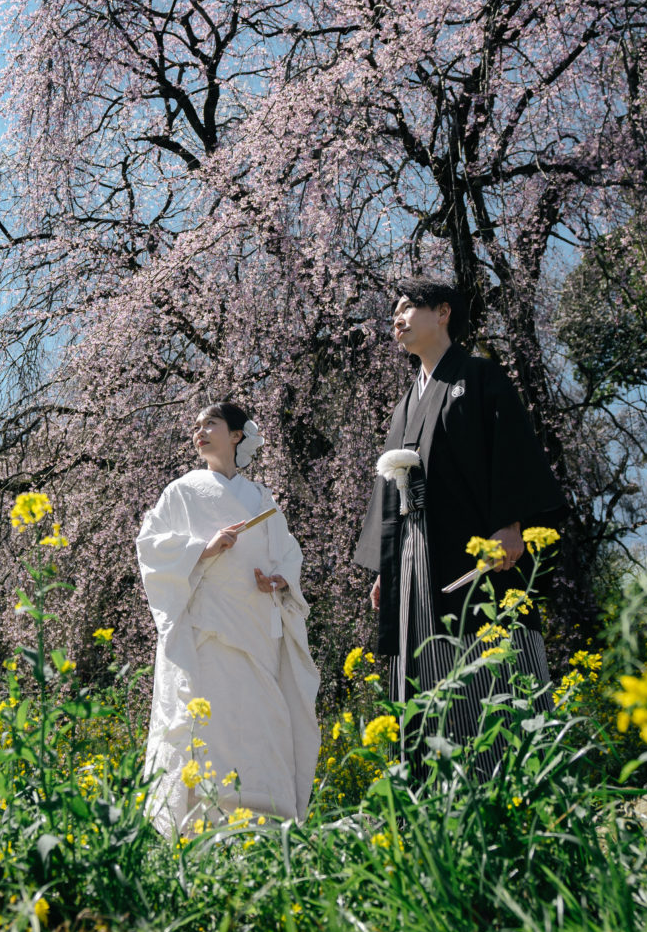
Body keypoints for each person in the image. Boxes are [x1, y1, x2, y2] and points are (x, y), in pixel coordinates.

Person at [353, 280, 565, 746]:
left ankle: (508, 791)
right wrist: (386, 569)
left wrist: (510, 524)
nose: (397, 317)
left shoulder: (480, 377)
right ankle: (435, 804)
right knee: (423, 663)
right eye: (395, 310)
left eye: (409, 306)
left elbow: (508, 452)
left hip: (475, 548)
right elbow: (388, 496)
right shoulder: (403, 408)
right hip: (413, 556)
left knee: (489, 653)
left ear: (444, 311)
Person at [136, 402, 318, 837]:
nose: (199, 431)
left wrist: (278, 580)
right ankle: (202, 825)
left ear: (237, 435)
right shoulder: (181, 492)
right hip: (209, 630)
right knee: (209, 724)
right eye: (196, 426)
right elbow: (150, 545)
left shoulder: (262, 498)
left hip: (257, 628)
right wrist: (203, 547)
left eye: (211, 424)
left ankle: (268, 823)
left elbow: (288, 554)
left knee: (262, 722)